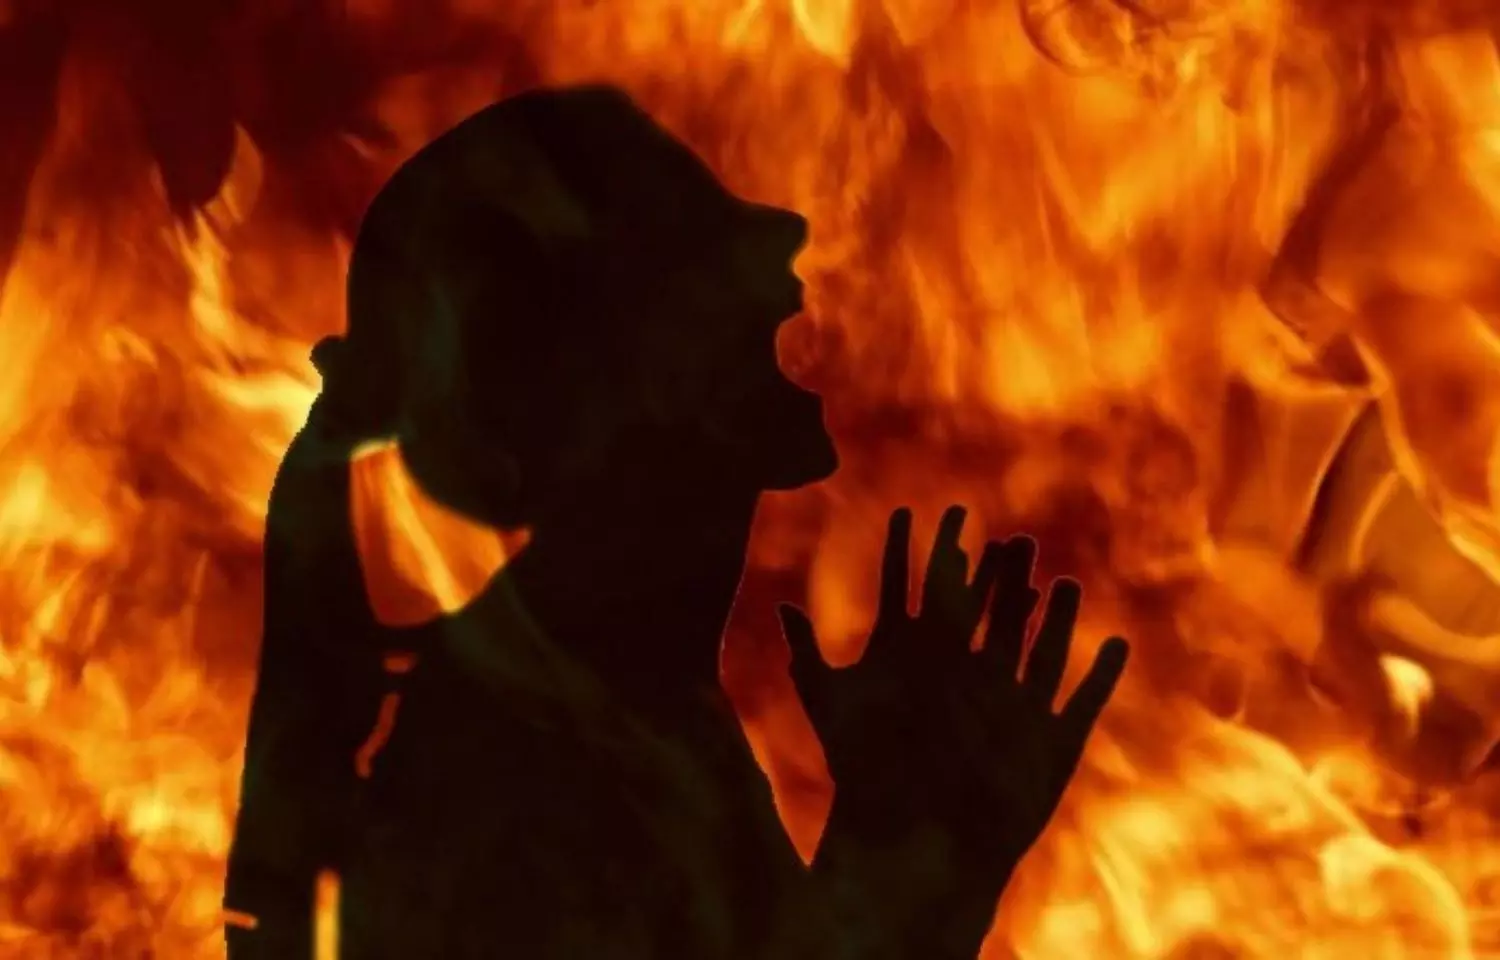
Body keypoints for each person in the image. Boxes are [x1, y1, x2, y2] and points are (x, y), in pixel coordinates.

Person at [223, 84, 1129, 959]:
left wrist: (913, 848)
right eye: (691, 268)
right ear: (601, 383)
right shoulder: (525, 776)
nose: (781, 267)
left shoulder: (625, 711)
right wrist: (912, 863)